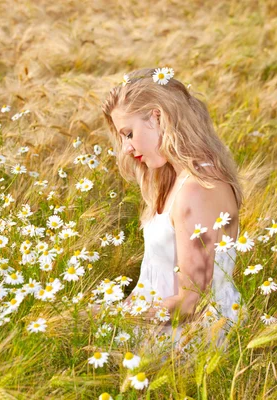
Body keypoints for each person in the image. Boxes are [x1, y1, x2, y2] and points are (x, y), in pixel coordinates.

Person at [100, 67, 244, 349]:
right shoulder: (173, 179)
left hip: (190, 339)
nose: (127, 148)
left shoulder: (198, 189)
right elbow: (152, 276)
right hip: (155, 322)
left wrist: (107, 316)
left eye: (129, 133)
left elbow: (192, 303)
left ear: (157, 117)